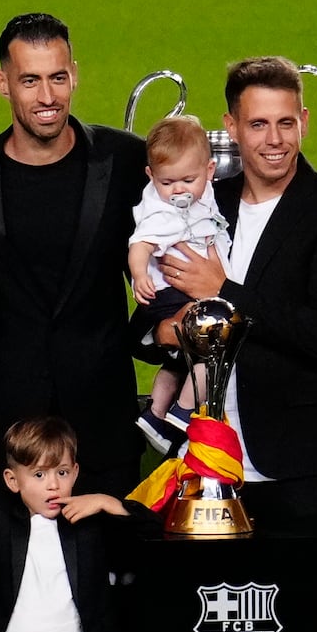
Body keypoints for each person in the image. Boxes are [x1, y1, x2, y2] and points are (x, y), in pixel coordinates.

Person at [152, 56, 317, 632]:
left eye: (285, 123)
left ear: (303, 120)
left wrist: (222, 291)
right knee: (201, 620)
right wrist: (160, 331)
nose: (274, 140)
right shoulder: (201, 203)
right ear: (231, 127)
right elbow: (151, 313)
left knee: (302, 623)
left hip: (295, 467)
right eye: (257, 125)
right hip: (197, 461)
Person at [0, 12, 148, 499]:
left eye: (57, 78)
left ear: (75, 75)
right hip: (0, 427)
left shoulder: (125, 160)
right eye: (30, 80)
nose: (47, 98)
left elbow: (169, 254)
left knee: (104, 574)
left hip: (101, 425)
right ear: (3, 83)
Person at [0, 416, 161, 632]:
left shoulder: (89, 520)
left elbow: (152, 531)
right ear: (12, 480)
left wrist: (106, 502)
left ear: (75, 473)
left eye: (62, 472)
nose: (53, 485)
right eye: (39, 475)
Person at [128, 115, 230, 453]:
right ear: (151, 177)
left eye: (189, 179)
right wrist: (140, 274)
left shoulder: (205, 195)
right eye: (168, 182)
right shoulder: (161, 211)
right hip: (171, 294)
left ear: (211, 171)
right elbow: (140, 244)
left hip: (184, 289)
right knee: (207, 355)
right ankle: (184, 412)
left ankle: (155, 413)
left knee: (175, 362)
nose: (179, 190)